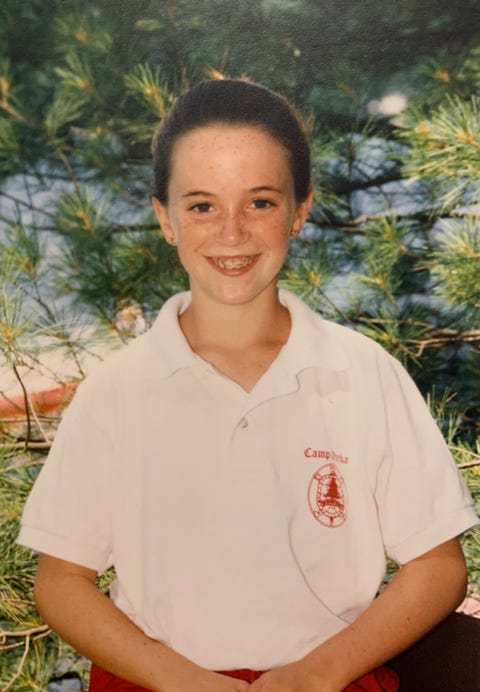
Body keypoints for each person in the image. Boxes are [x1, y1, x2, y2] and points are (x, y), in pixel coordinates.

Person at [18, 79, 478, 692]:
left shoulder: (362, 373)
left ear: (300, 210)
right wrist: (187, 683)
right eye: (202, 205)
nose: (231, 232)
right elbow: (61, 581)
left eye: (260, 202)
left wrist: (315, 674)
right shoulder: (116, 390)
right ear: (164, 218)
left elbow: (437, 567)